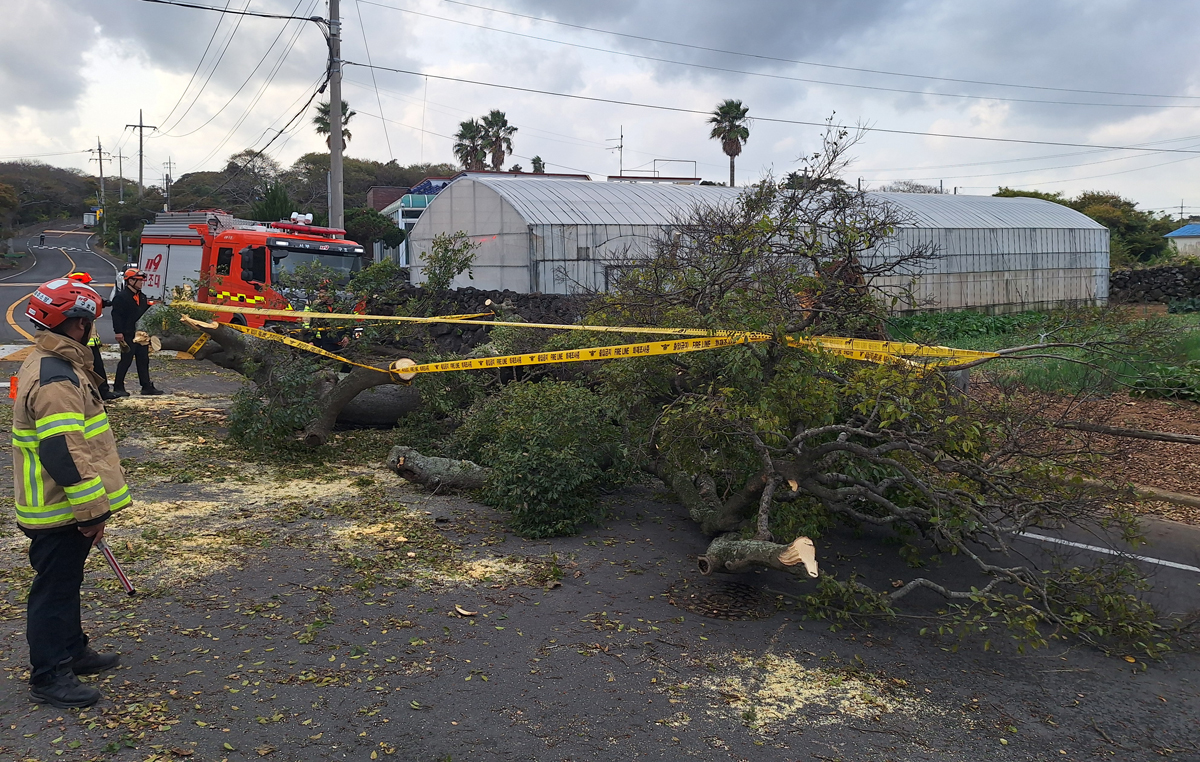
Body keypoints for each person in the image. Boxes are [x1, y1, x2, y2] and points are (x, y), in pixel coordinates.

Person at [13, 277, 132, 708]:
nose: (91, 330)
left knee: (67, 581)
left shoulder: (51, 361)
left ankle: (73, 650)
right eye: (87, 322)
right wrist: (91, 511)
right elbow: (62, 451)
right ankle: (49, 674)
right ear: (75, 324)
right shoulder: (57, 378)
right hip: (59, 506)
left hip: (60, 504)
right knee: (55, 589)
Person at [110, 268, 164, 396]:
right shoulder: (121, 297)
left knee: (143, 360)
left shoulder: (142, 297)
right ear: (130, 281)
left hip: (141, 335)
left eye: (142, 280)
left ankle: (146, 386)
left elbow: (144, 313)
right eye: (139, 281)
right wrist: (118, 332)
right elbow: (116, 315)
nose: (141, 283)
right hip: (127, 334)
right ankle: (118, 387)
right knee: (126, 360)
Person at [66, 273, 119, 401]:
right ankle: (94, 391)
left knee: (97, 366)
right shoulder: (75, 300)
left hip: (90, 339)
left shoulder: (83, 297)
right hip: (80, 341)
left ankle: (102, 391)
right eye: (86, 284)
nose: (89, 287)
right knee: (84, 368)